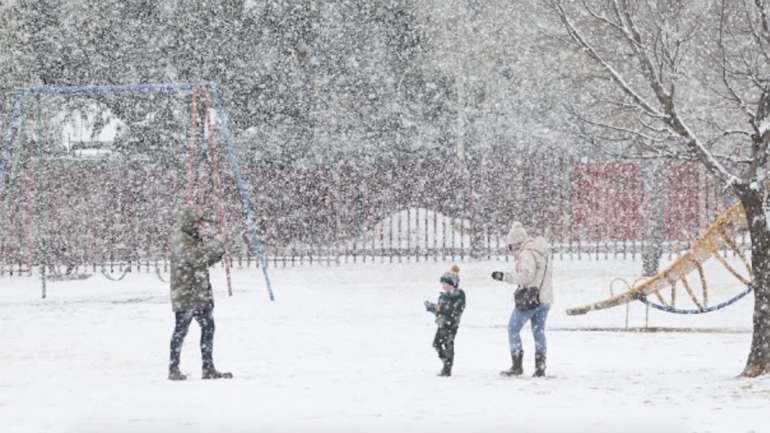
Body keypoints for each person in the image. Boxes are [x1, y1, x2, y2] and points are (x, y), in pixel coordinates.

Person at [167, 205, 232, 381]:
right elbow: (199, 259)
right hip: (187, 294)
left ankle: (208, 368)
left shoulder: (191, 238)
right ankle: (174, 368)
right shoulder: (182, 240)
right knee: (181, 330)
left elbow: (204, 259)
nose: (201, 226)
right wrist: (218, 243)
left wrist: (217, 246)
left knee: (208, 328)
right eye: (198, 222)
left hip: (197, 294)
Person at [491, 222, 553, 377]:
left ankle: (517, 365)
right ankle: (540, 367)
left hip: (530, 300)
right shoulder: (541, 251)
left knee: (512, 329)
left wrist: (505, 277)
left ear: (517, 244)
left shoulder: (526, 254)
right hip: (545, 298)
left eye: (511, 247)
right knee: (538, 332)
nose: (511, 252)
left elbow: (526, 276)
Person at [424, 265, 466, 377]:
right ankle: (445, 362)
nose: (443, 286)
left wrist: (438, 308)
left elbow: (451, 310)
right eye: (442, 283)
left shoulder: (459, 295)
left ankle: (447, 367)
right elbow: (442, 309)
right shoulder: (444, 296)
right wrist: (433, 308)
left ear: (452, 284)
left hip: (451, 324)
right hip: (442, 323)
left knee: (448, 344)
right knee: (437, 344)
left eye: (445, 283)